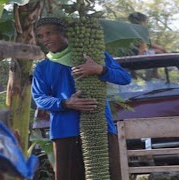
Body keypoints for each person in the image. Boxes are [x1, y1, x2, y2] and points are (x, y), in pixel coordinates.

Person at [32, 17, 131, 180]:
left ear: (64, 33)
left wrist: (99, 69)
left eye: (49, 33)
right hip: (65, 131)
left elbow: (125, 78)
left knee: (109, 174)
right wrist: (66, 103)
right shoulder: (43, 68)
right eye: (40, 36)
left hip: (100, 127)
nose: (45, 39)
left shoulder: (93, 55)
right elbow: (39, 98)